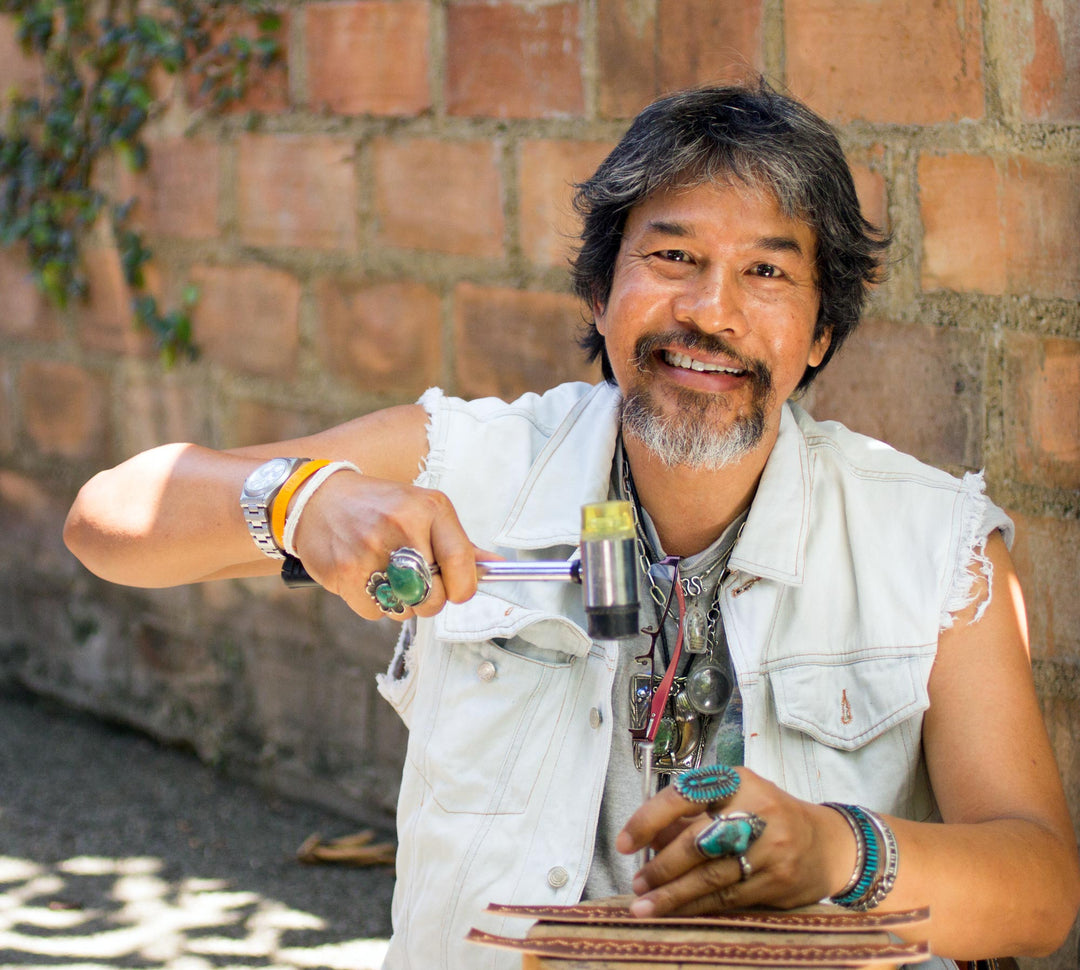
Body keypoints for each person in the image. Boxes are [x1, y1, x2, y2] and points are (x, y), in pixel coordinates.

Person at [63, 79, 1080, 970]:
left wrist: (836, 851)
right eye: (673, 255)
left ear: (819, 333)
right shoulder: (480, 463)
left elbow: (1039, 891)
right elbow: (111, 517)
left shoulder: (931, 541)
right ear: (601, 293)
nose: (712, 312)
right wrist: (300, 501)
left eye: (767, 272)